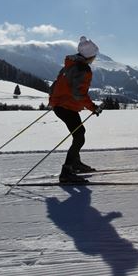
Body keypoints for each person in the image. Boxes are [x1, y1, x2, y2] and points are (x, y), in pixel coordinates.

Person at [49, 36, 102, 183]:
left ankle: (75, 164)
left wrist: (53, 101)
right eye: (94, 56)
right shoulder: (82, 69)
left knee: (79, 134)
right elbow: (79, 93)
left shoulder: (69, 64)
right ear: (89, 56)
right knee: (79, 136)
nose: (94, 59)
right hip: (66, 107)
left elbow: (55, 84)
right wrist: (93, 108)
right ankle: (66, 172)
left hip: (63, 106)